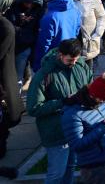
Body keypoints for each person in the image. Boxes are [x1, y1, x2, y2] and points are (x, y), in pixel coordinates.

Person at [26, 38, 91, 184]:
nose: (73, 64)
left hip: (76, 131)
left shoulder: (81, 65)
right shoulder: (44, 74)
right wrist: (62, 102)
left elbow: (89, 87)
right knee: (56, 174)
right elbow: (33, 108)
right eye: (69, 60)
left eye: (76, 59)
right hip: (56, 133)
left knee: (71, 168)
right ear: (60, 55)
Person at [62, 71, 105, 184]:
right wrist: (104, 127)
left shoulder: (102, 101)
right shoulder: (72, 114)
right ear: (93, 94)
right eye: (102, 99)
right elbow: (77, 144)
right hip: (93, 166)